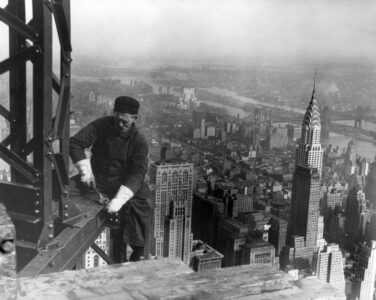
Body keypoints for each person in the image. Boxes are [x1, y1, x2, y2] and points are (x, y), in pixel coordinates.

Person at [70, 96, 152, 262]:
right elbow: (75, 143)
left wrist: (119, 200)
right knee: (65, 190)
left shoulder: (140, 141)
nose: (120, 124)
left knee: (145, 201)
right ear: (114, 114)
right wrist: (86, 172)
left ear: (134, 119)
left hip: (123, 183)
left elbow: (137, 173)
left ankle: (139, 250)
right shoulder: (101, 125)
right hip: (98, 179)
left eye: (125, 122)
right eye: (118, 119)